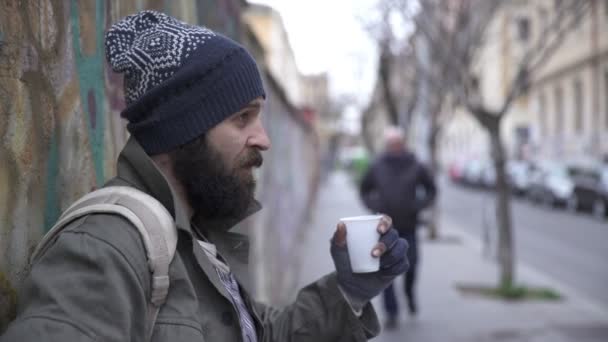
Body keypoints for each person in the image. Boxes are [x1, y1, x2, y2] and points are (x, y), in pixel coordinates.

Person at [0, 11, 409, 341]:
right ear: (184, 129)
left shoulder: (192, 238)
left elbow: (258, 334)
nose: (263, 139)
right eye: (242, 117)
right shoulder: (106, 250)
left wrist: (349, 292)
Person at [359, 126, 437, 329]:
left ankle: (410, 294)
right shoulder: (377, 166)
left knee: (411, 266)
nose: (394, 147)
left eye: (398, 143)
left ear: (403, 144)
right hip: (384, 230)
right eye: (391, 144)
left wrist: (418, 206)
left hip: (409, 226)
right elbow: (364, 189)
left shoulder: (416, 165)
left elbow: (431, 189)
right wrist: (374, 206)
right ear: (387, 145)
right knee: (387, 271)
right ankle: (391, 312)